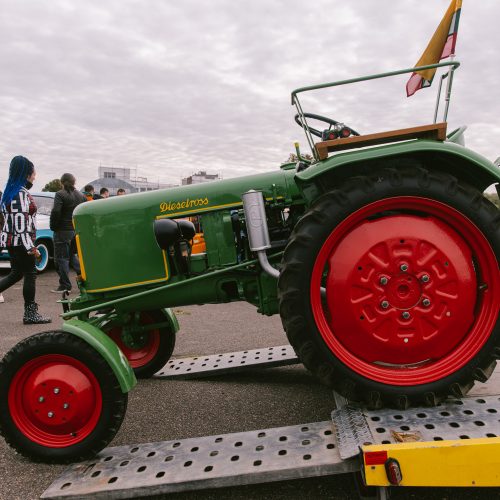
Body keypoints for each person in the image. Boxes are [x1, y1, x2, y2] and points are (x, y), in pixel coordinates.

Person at [0, 156, 51, 324]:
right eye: (33, 173)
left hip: (11, 242)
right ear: (26, 174)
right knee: (30, 274)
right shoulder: (21, 194)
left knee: (16, 274)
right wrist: (32, 248)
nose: (34, 176)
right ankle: (30, 314)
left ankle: (30, 313)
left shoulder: (9, 192)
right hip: (21, 242)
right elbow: (21, 225)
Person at [50, 173, 86, 293]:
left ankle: (65, 285)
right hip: (74, 231)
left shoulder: (60, 194)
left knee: (61, 259)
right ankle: (84, 277)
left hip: (62, 230)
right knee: (71, 256)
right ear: (73, 182)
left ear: (62, 182)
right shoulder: (81, 195)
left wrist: (53, 226)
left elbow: (56, 211)